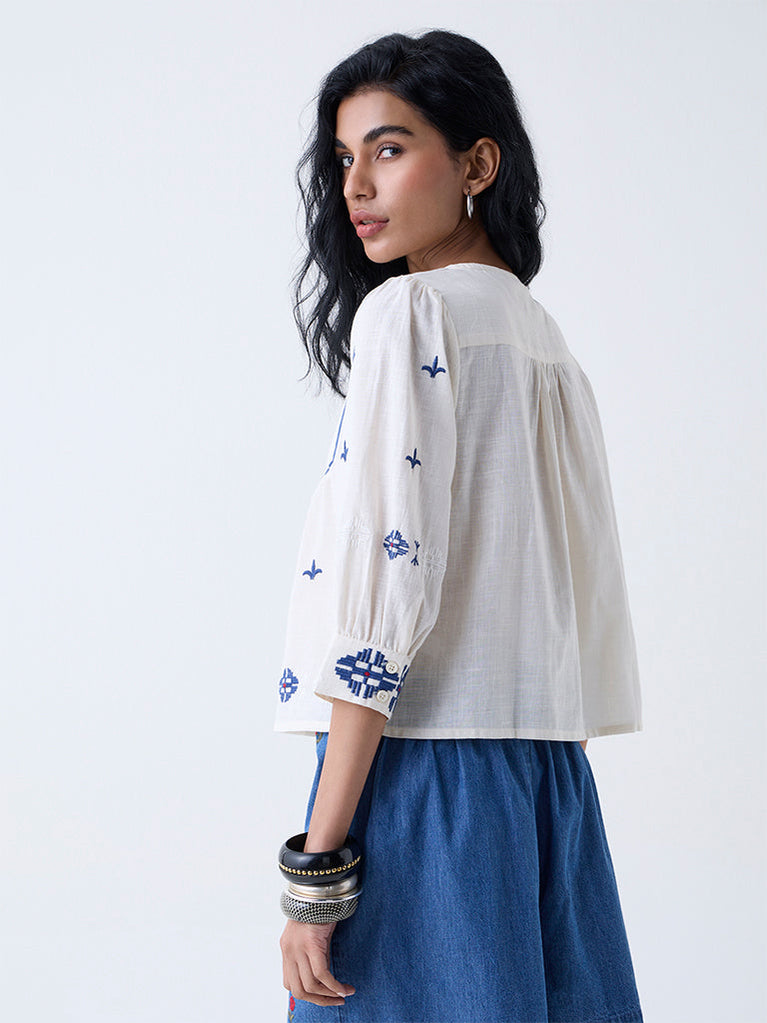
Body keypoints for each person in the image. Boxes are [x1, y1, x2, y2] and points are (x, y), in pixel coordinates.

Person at [274, 28, 644, 1023]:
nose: (356, 186)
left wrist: (316, 869)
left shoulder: (408, 315)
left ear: (477, 164)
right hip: (544, 784)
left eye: (389, 149)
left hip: (420, 778)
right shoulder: (543, 342)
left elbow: (383, 604)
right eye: (343, 159)